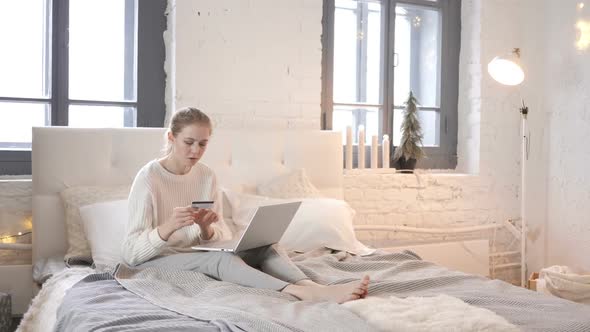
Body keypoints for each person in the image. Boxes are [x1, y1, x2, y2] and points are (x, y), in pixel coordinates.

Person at [121, 107, 369, 303]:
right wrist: (167, 227)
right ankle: (297, 292)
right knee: (221, 262)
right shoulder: (149, 178)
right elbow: (131, 253)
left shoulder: (206, 176)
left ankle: (313, 286)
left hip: (194, 254)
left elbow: (213, 237)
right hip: (157, 259)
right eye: (188, 142)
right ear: (171, 138)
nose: (196, 150)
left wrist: (207, 229)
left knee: (266, 247)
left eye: (203, 143)